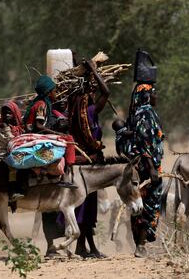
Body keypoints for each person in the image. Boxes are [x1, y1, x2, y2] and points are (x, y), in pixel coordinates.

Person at [65, 59, 111, 258]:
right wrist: (93, 70)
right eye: (92, 93)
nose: (94, 95)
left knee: (84, 208)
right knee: (86, 208)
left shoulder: (73, 111)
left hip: (79, 164)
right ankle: (85, 247)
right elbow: (106, 92)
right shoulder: (89, 112)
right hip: (88, 165)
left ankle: (85, 247)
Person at [127, 83, 164, 258]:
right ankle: (140, 246)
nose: (157, 96)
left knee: (137, 205)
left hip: (139, 166)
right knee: (148, 205)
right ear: (147, 96)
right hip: (147, 168)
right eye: (154, 93)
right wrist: (152, 168)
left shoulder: (135, 114)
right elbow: (144, 142)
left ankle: (139, 244)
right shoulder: (146, 113)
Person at [23, 75, 76, 188]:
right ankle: (66, 173)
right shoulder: (42, 104)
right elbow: (38, 125)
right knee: (69, 139)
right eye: (54, 91)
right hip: (36, 135)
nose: (56, 94)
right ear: (48, 93)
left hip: (36, 133)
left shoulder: (41, 102)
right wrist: (57, 134)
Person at [0, 101, 25, 201]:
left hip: (17, 148)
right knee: (13, 167)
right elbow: (11, 140)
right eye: (5, 113)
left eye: (10, 112)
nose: (7, 115)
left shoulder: (17, 125)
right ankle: (13, 191)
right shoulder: (3, 125)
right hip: (7, 152)